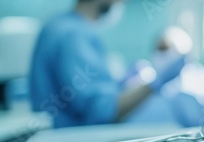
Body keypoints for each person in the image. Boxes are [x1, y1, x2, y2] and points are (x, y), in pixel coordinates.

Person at [29, 0, 185, 128]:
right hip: (71, 140)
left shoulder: (57, 25)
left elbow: (79, 93)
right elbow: (102, 112)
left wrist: (119, 85)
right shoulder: (75, 35)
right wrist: (154, 84)